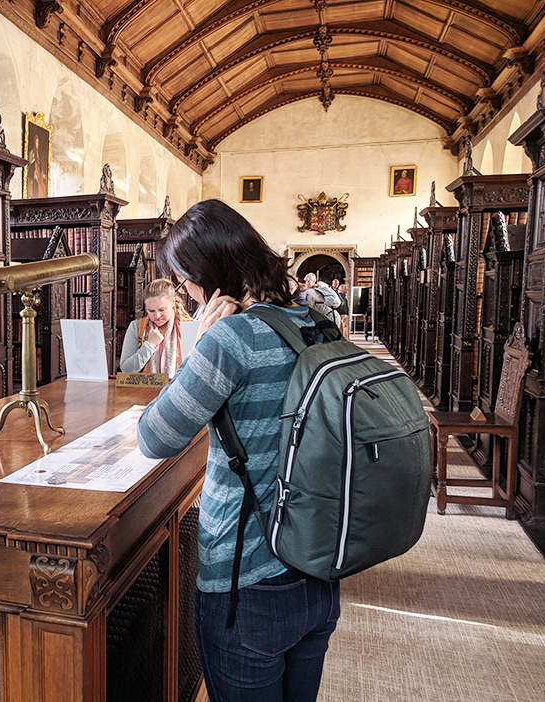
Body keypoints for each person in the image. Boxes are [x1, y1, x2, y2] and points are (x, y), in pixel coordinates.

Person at [136, 200, 340, 702]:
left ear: (212, 275)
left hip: (248, 581)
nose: (186, 292)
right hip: (319, 566)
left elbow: (154, 436)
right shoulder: (315, 322)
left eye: (186, 282)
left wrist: (199, 343)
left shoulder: (231, 338)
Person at [119, 278, 193, 378]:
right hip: (144, 391)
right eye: (151, 311)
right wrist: (149, 345)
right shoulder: (137, 327)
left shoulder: (188, 327)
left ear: (173, 302)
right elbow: (126, 369)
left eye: (162, 310)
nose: (157, 316)